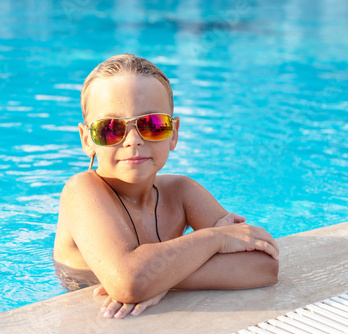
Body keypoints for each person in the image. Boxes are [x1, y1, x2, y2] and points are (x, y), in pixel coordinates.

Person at [53, 53, 279, 319]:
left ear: (174, 133)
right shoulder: (81, 191)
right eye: (111, 128)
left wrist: (161, 280)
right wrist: (217, 238)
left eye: (152, 125)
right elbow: (128, 282)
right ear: (87, 139)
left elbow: (264, 266)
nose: (133, 141)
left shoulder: (181, 192)